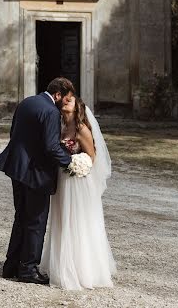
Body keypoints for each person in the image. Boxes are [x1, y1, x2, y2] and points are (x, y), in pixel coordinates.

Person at [0, 77, 74, 285]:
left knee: (21, 217)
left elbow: (16, 134)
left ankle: (11, 266)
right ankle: (27, 269)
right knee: (36, 221)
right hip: (36, 172)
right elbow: (50, 147)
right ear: (57, 95)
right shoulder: (51, 112)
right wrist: (70, 162)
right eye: (66, 99)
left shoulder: (27, 102)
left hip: (17, 168)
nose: (65, 104)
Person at [40, 96, 116, 290]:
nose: (65, 102)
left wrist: (77, 165)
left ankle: (83, 270)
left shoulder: (82, 129)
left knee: (78, 223)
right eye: (64, 100)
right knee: (62, 220)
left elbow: (92, 157)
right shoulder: (61, 126)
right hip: (63, 180)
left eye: (70, 100)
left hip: (78, 181)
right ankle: (60, 265)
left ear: (77, 107)